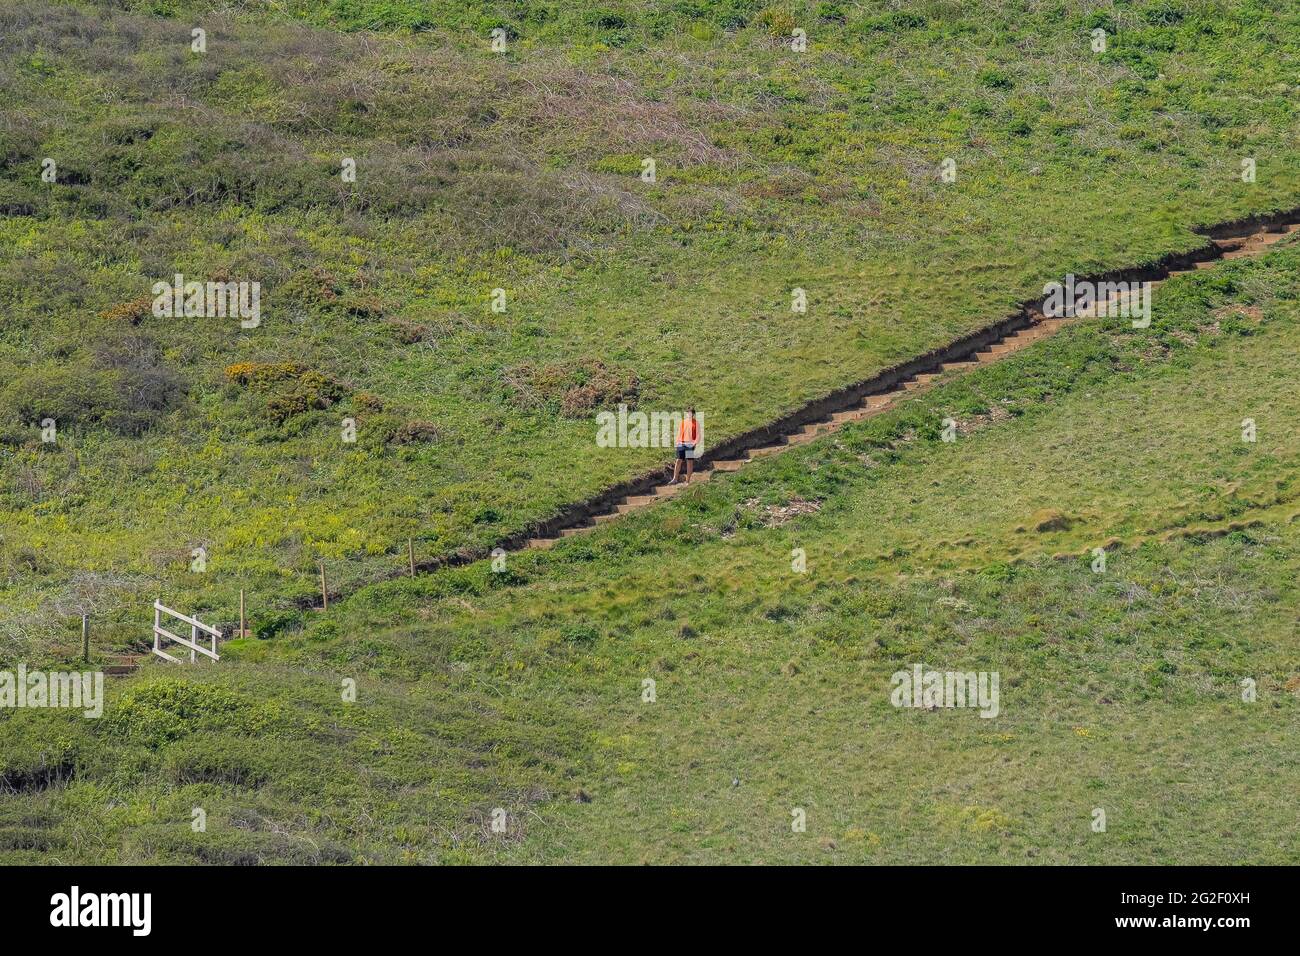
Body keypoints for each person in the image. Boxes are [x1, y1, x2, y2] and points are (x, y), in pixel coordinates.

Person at [670, 408, 699, 484]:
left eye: (690, 413)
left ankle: (688, 481)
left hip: (690, 445)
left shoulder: (696, 423)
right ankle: (675, 479)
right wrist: (677, 442)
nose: (688, 414)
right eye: (687, 413)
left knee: (689, 462)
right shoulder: (683, 422)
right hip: (681, 444)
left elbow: (697, 435)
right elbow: (680, 433)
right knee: (678, 460)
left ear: (693, 414)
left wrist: (694, 444)